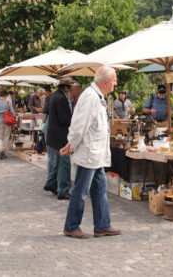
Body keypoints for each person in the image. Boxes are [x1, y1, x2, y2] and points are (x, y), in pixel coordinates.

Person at [60, 66, 121, 239]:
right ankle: (71, 226)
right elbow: (79, 125)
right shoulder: (90, 97)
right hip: (89, 153)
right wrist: (71, 144)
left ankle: (102, 225)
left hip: (96, 154)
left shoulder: (96, 96)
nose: (116, 83)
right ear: (106, 82)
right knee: (81, 190)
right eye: (114, 80)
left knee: (100, 188)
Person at [44, 77, 78, 200]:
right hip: (60, 136)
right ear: (65, 87)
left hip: (53, 135)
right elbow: (65, 119)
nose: (71, 90)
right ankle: (63, 190)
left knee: (55, 163)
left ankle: (51, 183)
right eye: (70, 87)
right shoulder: (61, 98)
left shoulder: (55, 96)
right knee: (64, 164)